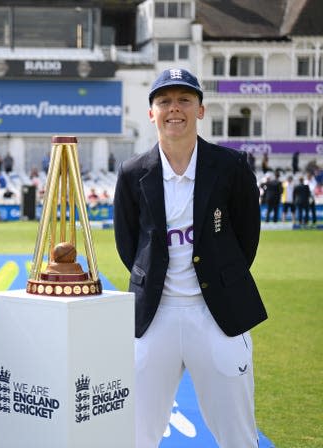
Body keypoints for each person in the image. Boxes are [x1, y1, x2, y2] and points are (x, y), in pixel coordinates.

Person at [113, 68, 267, 448]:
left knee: (238, 436)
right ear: (151, 113)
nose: (174, 109)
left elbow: (247, 238)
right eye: (164, 101)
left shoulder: (232, 166)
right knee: (135, 435)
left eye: (184, 99)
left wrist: (221, 278)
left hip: (218, 315)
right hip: (153, 316)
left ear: (201, 109)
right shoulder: (133, 172)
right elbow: (127, 244)